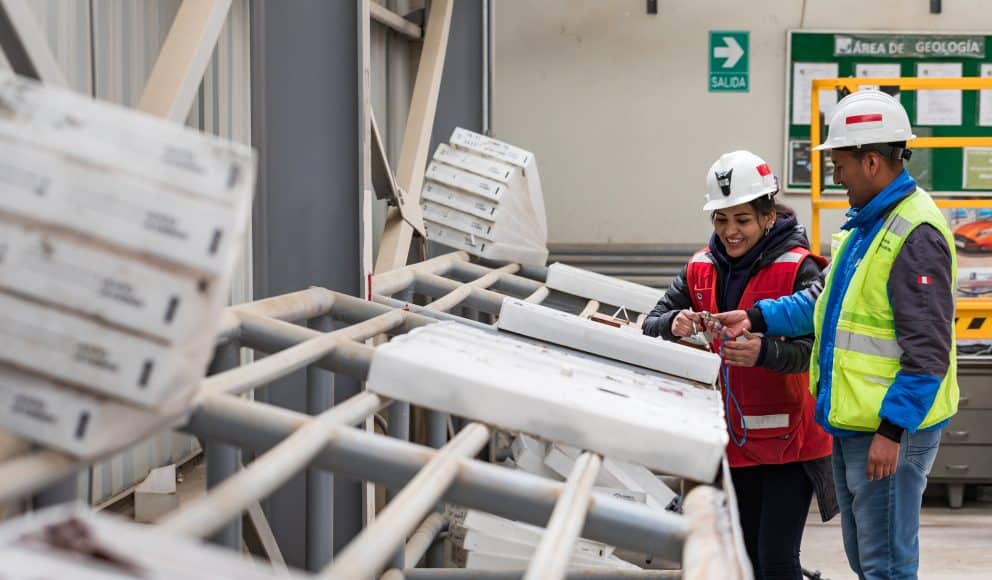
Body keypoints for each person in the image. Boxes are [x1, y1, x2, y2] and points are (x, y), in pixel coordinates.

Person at [715, 91, 957, 580]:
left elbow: (928, 352)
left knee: (885, 565)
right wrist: (755, 318)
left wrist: (892, 432)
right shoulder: (867, 229)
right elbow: (818, 306)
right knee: (865, 556)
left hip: (887, 429)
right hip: (855, 423)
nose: (835, 176)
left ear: (871, 162)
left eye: (840, 164)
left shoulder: (914, 234)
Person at [643, 150, 836, 579]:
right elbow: (650, 320)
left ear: (768, 216)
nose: (731, 232)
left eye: (743, 220)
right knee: (744, 555)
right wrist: (673, 323)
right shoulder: (700, 268)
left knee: (776, 559)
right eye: (721, 220)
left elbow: (819, 351)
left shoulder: (800, 269)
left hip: (793, 444)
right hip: (733, 441)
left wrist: (765, 353)